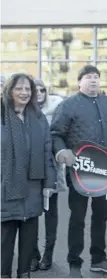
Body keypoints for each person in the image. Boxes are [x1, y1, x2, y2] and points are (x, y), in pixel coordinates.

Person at [50, 65, 107, 278]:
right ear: (79, 82)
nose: (93, 80)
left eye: (96, 77)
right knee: (78, 218)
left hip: (106, 172)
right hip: (79, 172)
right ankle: (74, 264)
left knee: (101, 217)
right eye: (88, 77)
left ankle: (99, 259)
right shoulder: (68, 105)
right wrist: (62, 150)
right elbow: (55, 133)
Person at [1, 73, 56, 278]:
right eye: (19, 88)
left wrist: (49, 182)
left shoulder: (38, 118)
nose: (24, 92)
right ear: (9, 91)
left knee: (29, 237)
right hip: (6, 185)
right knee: (5, 238)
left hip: (33, 186)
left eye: (28, 89)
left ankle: (24, 274)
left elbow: (46, 151)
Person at [30, 79, 66, 272]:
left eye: (43, 90)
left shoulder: (57, 110)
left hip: (52, 169)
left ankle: (48, 255)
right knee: (32, 215)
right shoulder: (23, 113)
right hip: (30, 173)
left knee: (51, 214)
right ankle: (34, 254)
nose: (40, 93)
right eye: (36, 90)